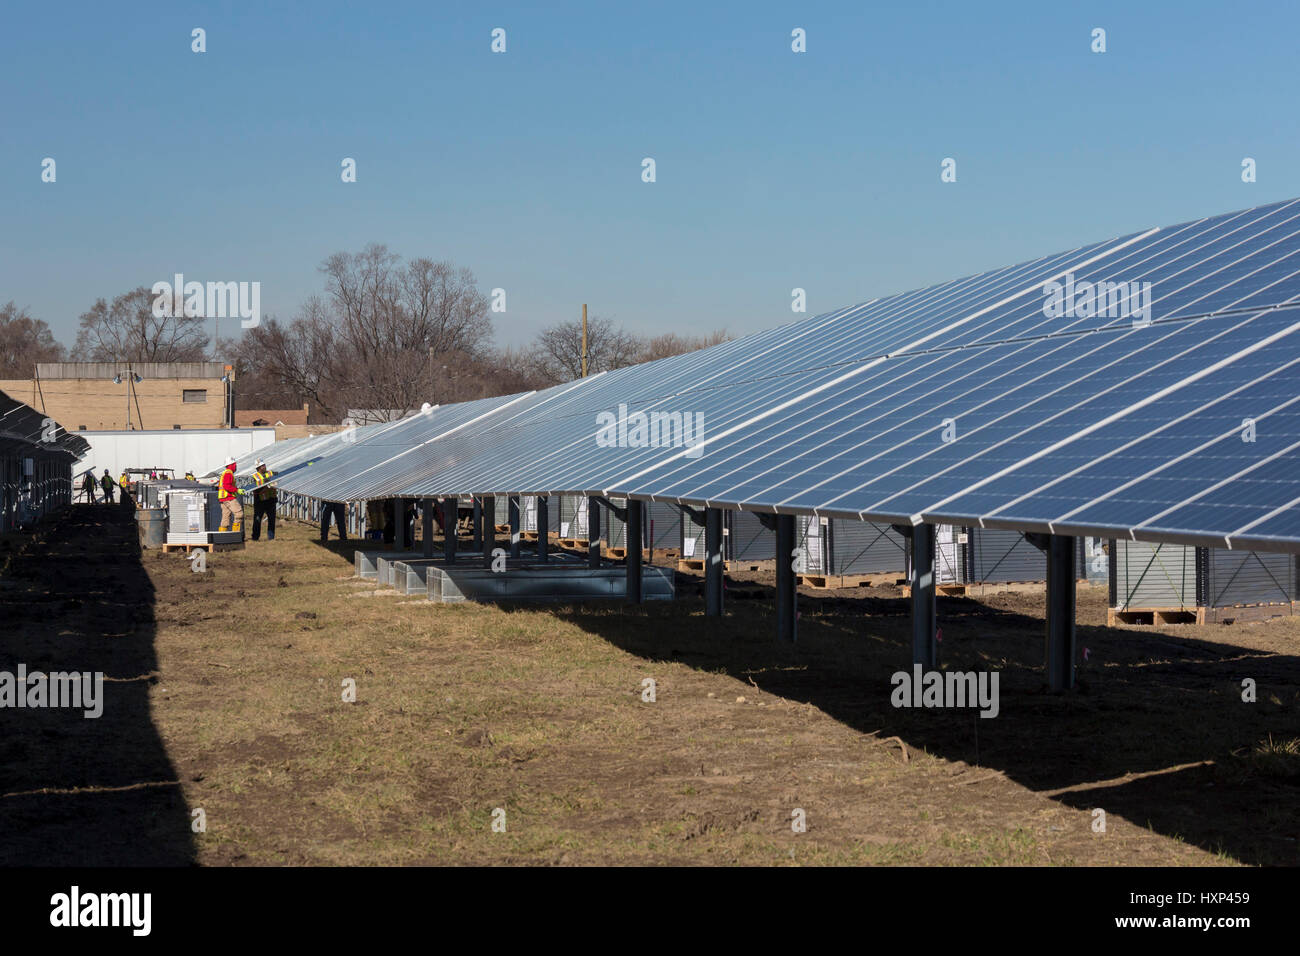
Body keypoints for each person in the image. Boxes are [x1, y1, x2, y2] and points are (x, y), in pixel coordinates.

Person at [251, 460, 277, 541]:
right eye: (262, 466)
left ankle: (271, 537)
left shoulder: (270, 473)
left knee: (272, 519)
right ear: (258, 468)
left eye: (264, 465)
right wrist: (265, 483)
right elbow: (254, 488)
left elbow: (277, 478)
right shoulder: (254, 477)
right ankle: (255, 537)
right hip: (260, 501)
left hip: (271, 500)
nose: (264, 467)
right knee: (257, 519)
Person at [216, 459, 243, 531]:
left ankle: (222, 537)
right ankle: (236, 534)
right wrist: (237, 490)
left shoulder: (225, 472)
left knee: (225, 518)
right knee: (239, 514)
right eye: (235, 465)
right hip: (228, 498)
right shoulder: (229, 473)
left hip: (223, 498)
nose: (236, 466)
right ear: (232, 465)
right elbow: (227, 486)